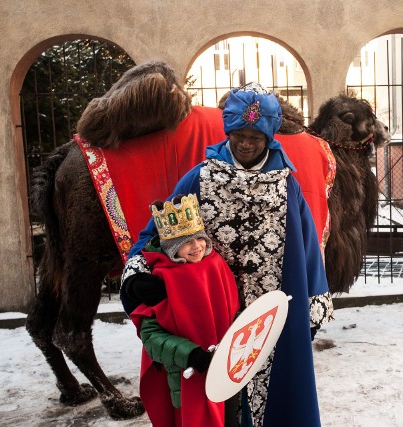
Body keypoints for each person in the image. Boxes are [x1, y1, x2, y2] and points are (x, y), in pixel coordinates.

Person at [121, 82, 332, 426]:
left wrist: (311, 307)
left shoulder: (286, 184)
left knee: (278, 397)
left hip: (272, 315)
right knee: (222, 401)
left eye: (256, 137)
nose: (247, 144)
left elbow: (307, 246)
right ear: (229, 132)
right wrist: (139, 277)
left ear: (270, 139)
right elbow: (157, 233)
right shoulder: (199, 179)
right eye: (240, 136)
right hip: (212, 309)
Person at [128, 194, 239, 426]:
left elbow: (233, 312)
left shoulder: (216, 266)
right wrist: (189, 354)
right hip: (187, 377)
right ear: (171, 247)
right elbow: (151, 336)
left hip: (224, 372)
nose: (196, 246)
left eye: (199, 238)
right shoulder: (159, 280)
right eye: (186, 242)